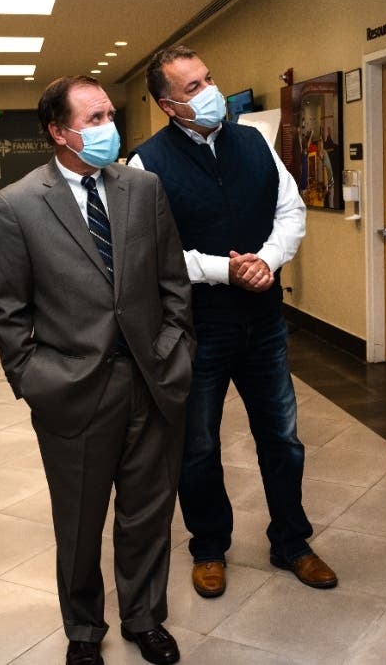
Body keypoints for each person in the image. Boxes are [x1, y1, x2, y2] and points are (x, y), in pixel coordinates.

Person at [0, 76, 194, 665]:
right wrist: (34, 379)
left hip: (151, 380)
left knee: (148, 512)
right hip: (73, 390)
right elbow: (5, 309)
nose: (109, 128)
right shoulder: (18, 205)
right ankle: (82, 628)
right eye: (94, 119)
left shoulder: (143, 188)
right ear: (59, 132)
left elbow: (172, 282)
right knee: (78, 521)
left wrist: (176, 351)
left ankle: (145, 617)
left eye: (109, 116)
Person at [131, 45, 337, 599]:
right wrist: (225, 270)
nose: (209, 92)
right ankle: (208, 547)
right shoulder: (146, 165)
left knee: (283, 440)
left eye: (208, 79)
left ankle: (291, 541)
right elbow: (152, 253)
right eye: (193, 88)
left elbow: (291, 211)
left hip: (263, 325)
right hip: (197, 329)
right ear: (168, 106)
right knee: (198, 446)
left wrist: (266, 261)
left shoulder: (255, 142)